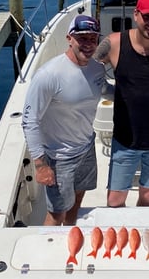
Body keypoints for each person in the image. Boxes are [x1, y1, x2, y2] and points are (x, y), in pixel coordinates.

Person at [22, 14, 113, 226]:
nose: (88, 44)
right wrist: (40, 165)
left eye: (93, 38)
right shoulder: (48, 75)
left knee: (79, 198)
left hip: (86, 147)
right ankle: (46, 254)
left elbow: (105, 90)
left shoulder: (97, 68)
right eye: (82, 38)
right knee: (57, 213)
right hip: (58, 157)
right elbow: (30, 121)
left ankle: (70, 233)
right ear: (69, 38)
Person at [94, 0, 149, 207]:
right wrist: (114, 94)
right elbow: (88, 70)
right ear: (136, 15)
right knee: (114, 200)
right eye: (148, 16)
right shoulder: (114, 43)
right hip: (125, 140)